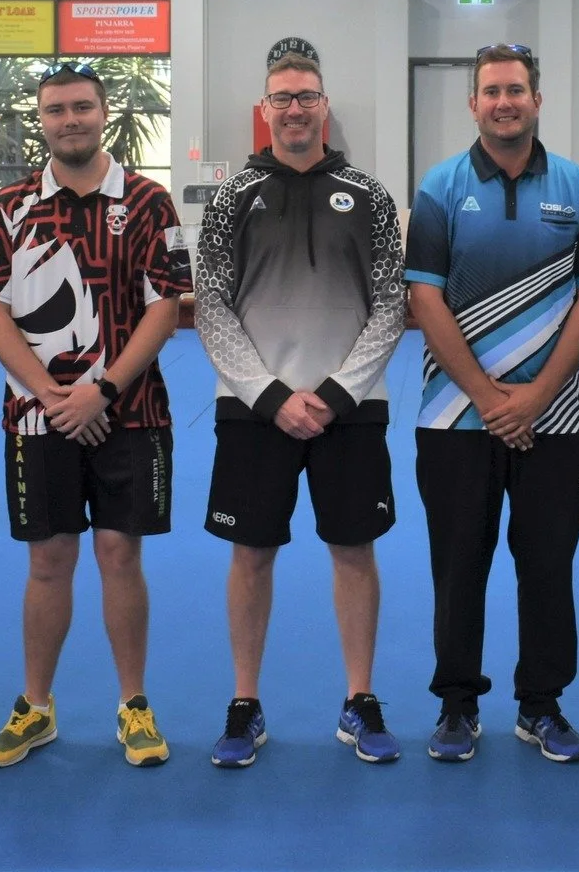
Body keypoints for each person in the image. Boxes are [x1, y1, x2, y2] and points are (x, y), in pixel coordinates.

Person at [0, 63, 193, 768]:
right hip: (38, 420)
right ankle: (36, 707)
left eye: (82, 107)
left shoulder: (150, 202)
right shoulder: (8, 206)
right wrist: (51, 395)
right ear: (42, 119)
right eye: (57, 109)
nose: (70, 120)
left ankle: (134, 705)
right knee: (49, 561)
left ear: (103, 112)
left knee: (121, 556)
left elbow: (166, 306)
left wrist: (104, 390)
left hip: (132, 414)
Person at [405, 43, 579, 764]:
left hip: (559, 420)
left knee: (548, 567)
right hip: (454, 419)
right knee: (458, 567)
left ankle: (542, 705)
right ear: (473, 104)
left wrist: (537, 396)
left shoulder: (577, 186)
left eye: (516, 90)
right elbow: (425, 298)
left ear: (537, 100)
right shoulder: (440, 187)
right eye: (492, 91)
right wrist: (489, 396)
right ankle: (457, 706)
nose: (504, 102)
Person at [195, 53, 407, 768]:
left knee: (354, 551)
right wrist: (270, 396)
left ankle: (360, 699)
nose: (294, 109)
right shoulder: (232, 198)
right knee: (251, 555)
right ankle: (244, 704)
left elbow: (391, 303)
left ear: (324, 106)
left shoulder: (370, 196)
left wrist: (339, 393)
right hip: (254, 411)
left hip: (352, 409)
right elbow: (211, 305)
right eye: (282, 98)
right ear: (266, 108)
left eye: (306, 97)